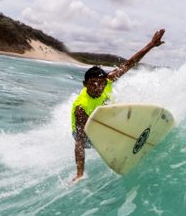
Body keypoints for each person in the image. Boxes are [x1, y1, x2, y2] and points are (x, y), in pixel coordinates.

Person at [71, 29, 166, 181]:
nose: (98, 87)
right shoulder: (80, 108)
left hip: (104, 119)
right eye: (92, 83)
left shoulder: (108, 80)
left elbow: (130, 64)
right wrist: (79, 174)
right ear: (84, 84)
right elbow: (80, 142)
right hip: (87, 133)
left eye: (100, 83)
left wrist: (151, 45)